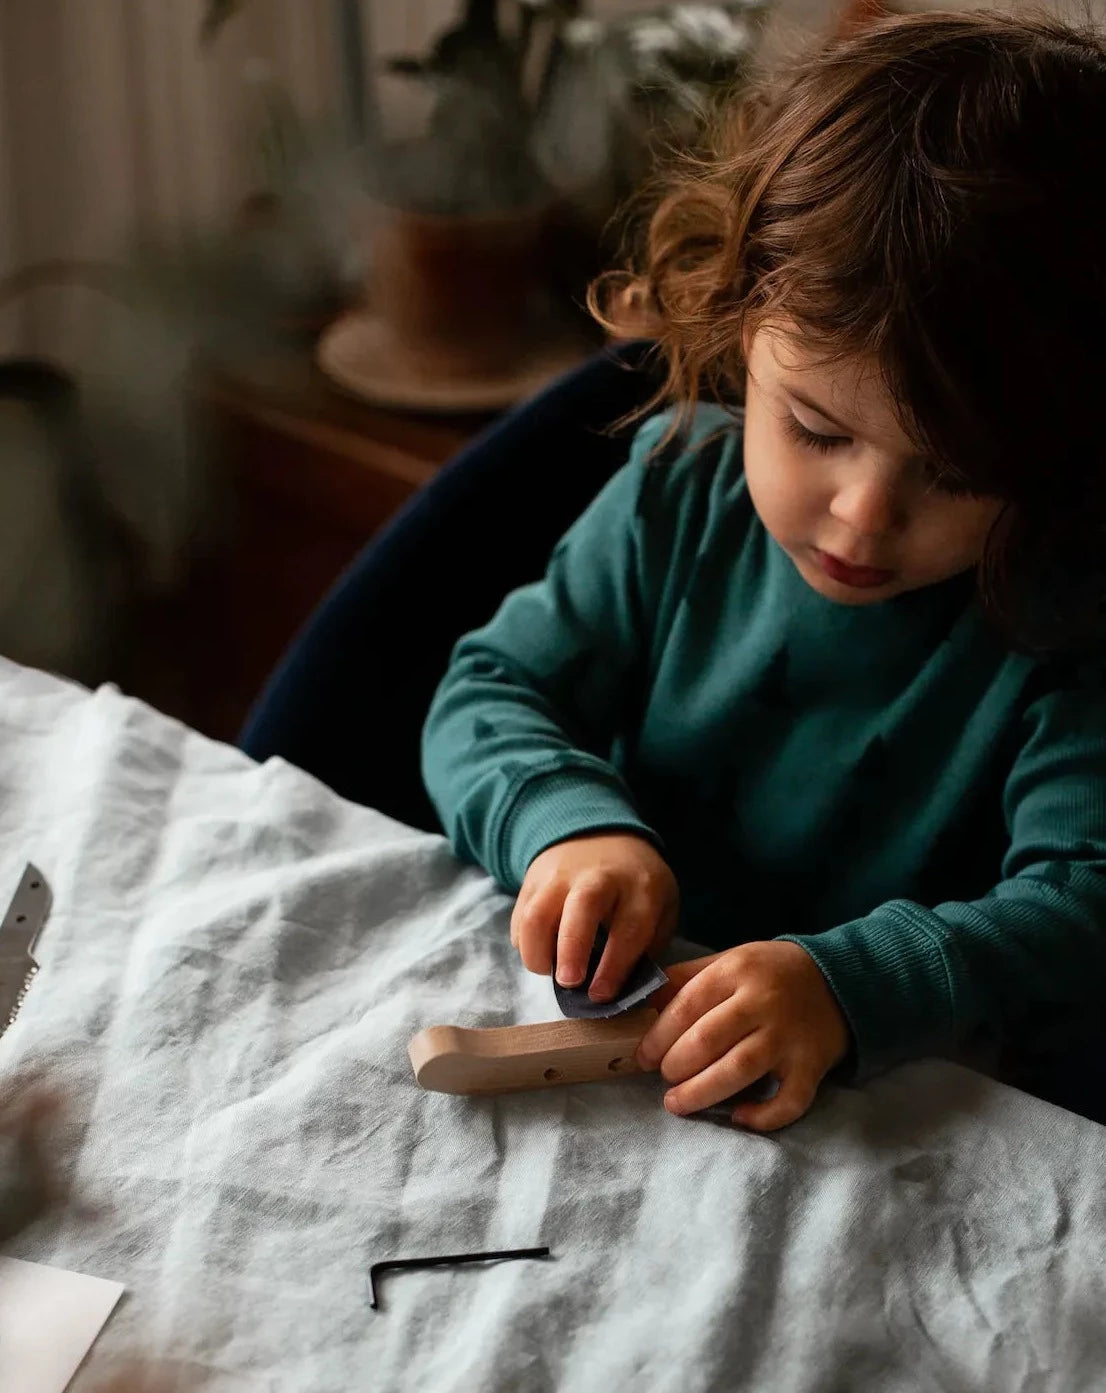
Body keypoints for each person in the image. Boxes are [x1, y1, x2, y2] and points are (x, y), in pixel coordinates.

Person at [421, 11, 1106, 1131]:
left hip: (897, 1116)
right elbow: (488, 691)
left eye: (956, 474)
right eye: (816, 429)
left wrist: (850, 983)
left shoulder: (1065, 616)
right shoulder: (677, 492)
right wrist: (567, 824)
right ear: (739, 317)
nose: (863, 515)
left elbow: (1084, 901)